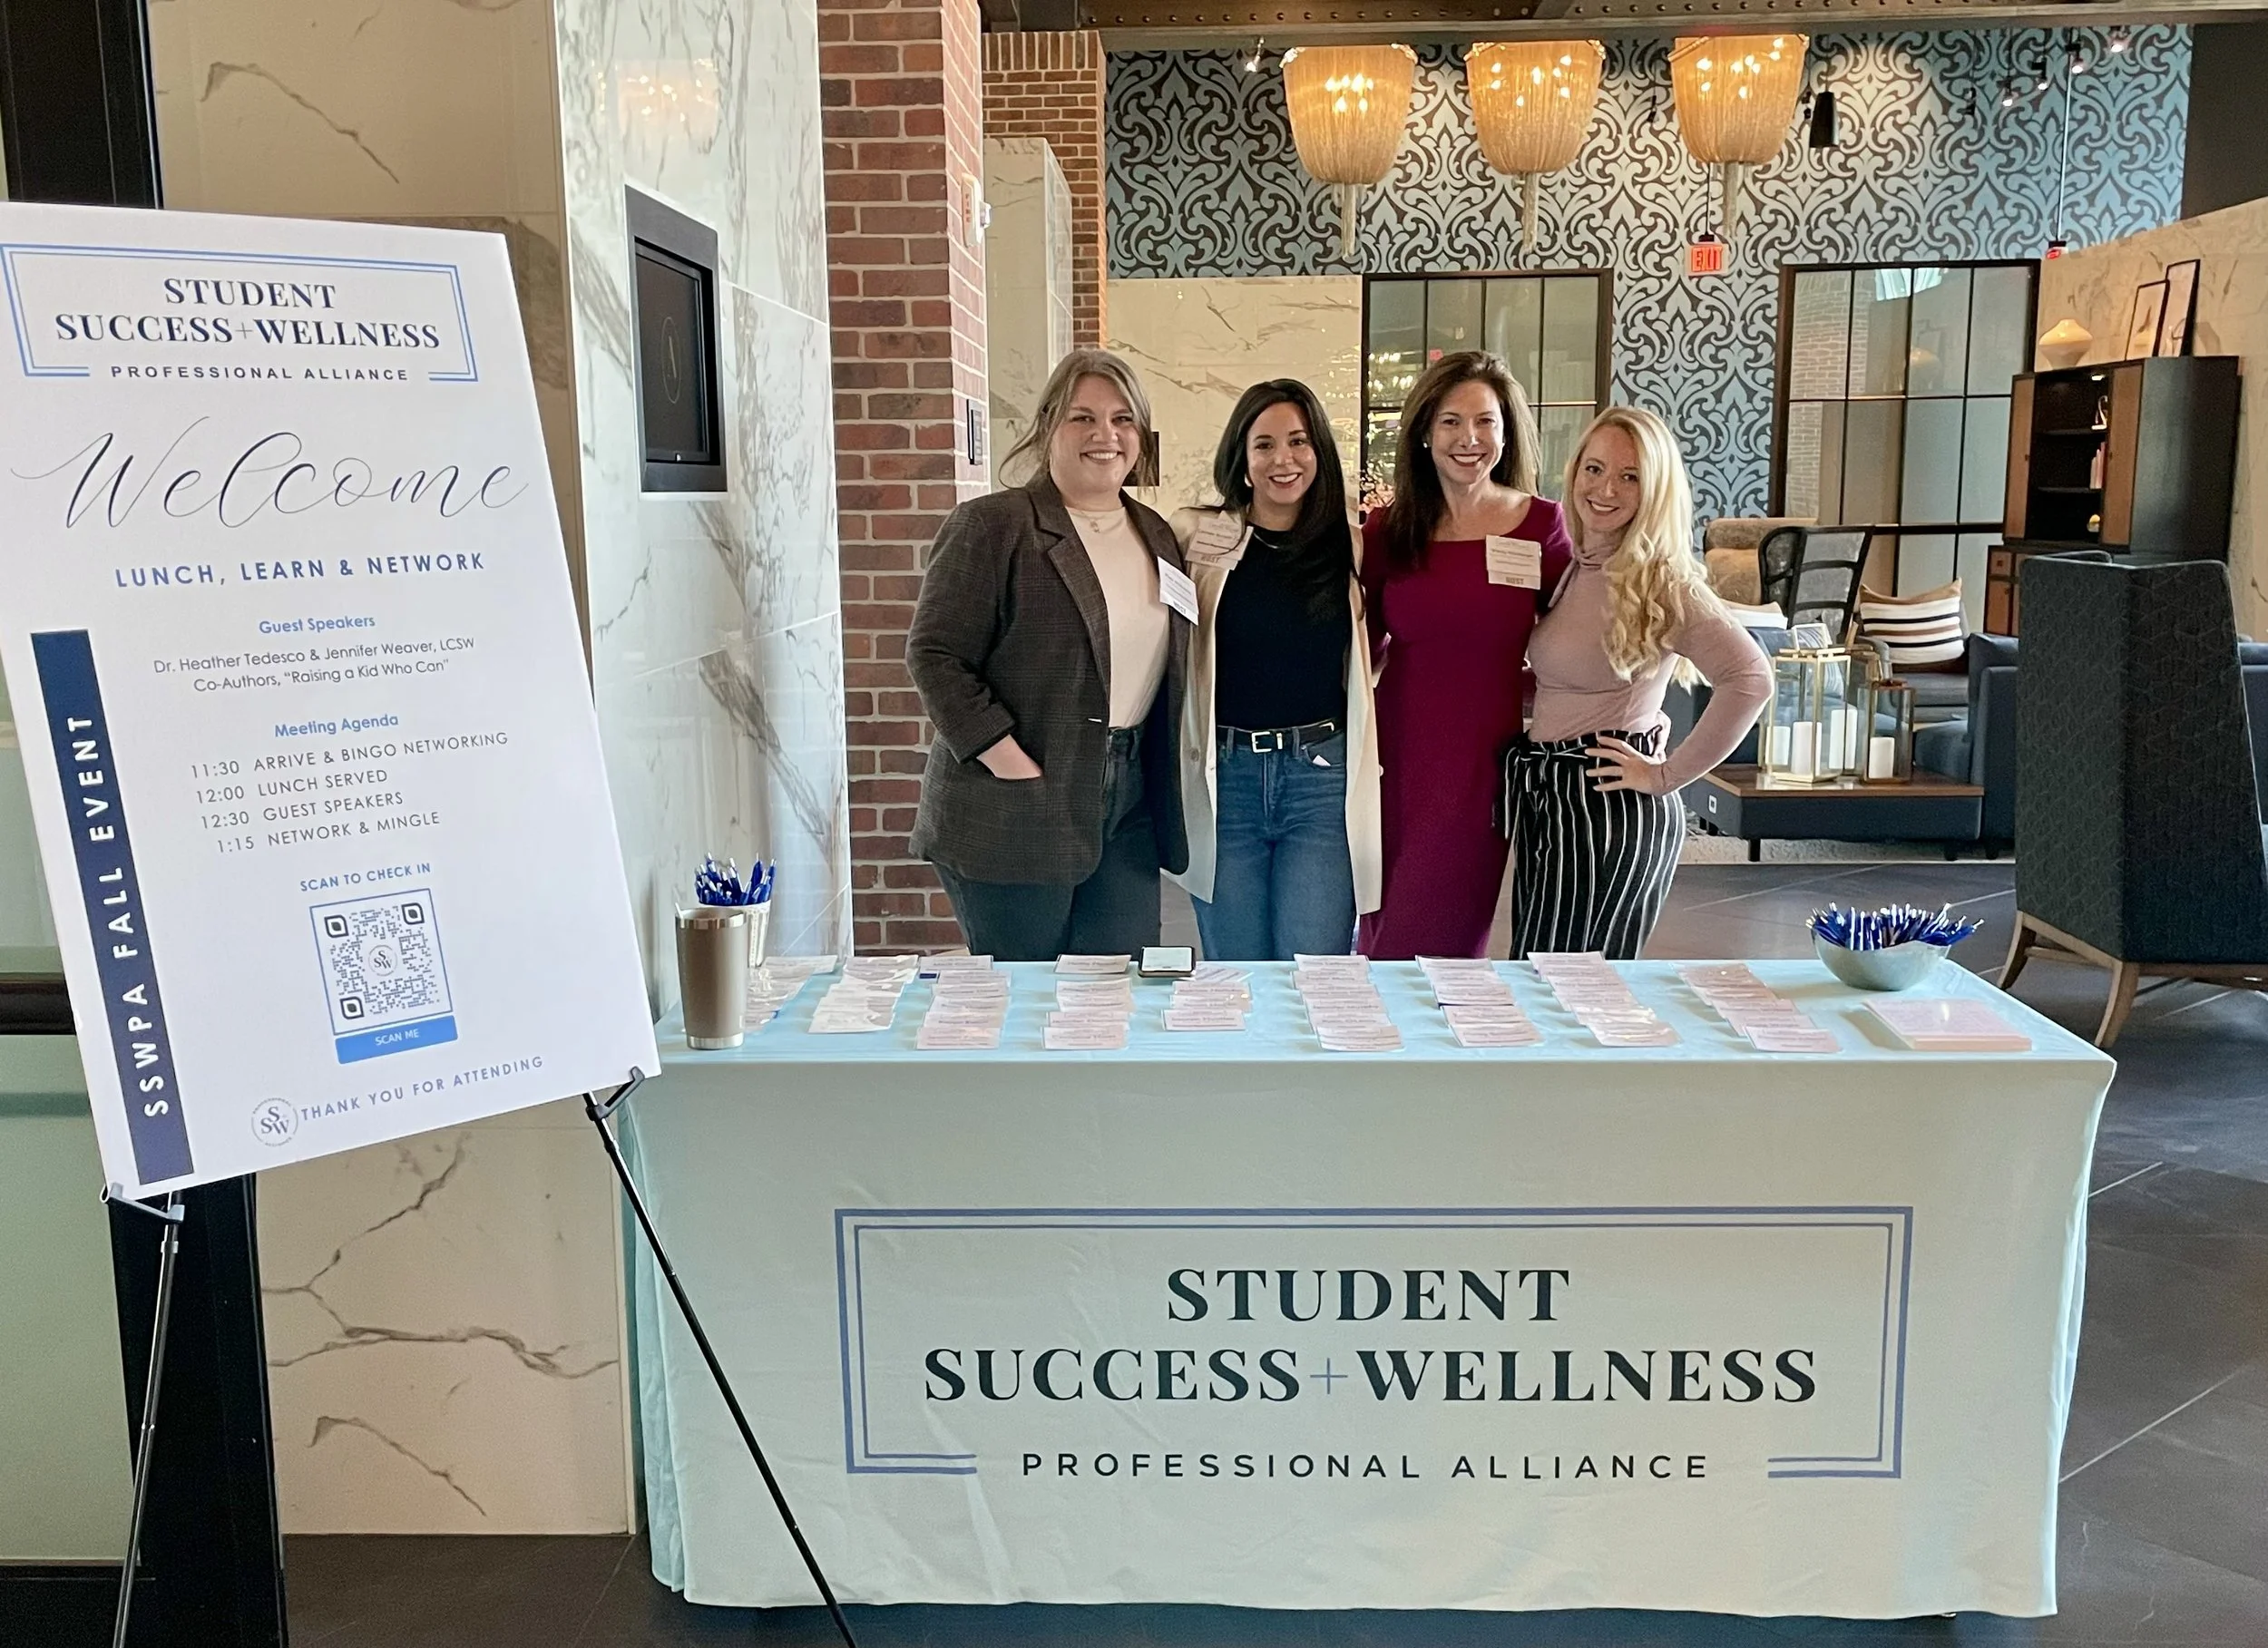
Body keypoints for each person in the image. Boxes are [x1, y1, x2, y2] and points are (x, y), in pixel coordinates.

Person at [906, 350, 1190, 961]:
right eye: (1082, 417)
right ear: (1047, 428)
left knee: (1117, 990)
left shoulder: (1158, 534)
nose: (1104, 435)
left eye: (1122, 420)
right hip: (1018, 798)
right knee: (1025, 1002)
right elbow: (935, 652)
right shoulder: (995, 525)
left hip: (1131, 799)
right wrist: (1006, 757)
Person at [1508, 405, 1771, 960]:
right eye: (1595, 469)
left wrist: (1667, 775)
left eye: (1631, 477)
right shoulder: (1579, 564)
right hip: (1553, 794)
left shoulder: (1662, 578)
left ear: (1655, 491)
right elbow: (1570, 678)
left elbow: (1749, 678)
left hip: (1604, 801)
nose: (1606, 489)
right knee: (1544, 979)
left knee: (1570, 990)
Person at [1355, 351, 1574, 960]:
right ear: (1424, 432)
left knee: (1442, 936)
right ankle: (1375, 1046)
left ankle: (1425, 1051)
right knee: (1383, 923)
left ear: (1507, 430)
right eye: (1450, 421)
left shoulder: (1542, 527)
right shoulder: (1388, 530)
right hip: (1393, 757)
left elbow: (1579, 638)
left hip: (1484, 765)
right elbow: (1359, 648)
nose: (1468, 439)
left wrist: (1634, 710)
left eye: (1485, 421)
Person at [1168, 380, 1381, 961]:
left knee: (1314, 967)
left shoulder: (1353, 549)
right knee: (1234, 971)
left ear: (1320, 454)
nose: (1282, 460)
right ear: (1241, 458)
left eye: (1298, 442)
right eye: (1264, 445)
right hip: (1227, 777)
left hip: (1318, 780)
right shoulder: (1197, 538)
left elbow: (1375, 652)